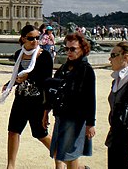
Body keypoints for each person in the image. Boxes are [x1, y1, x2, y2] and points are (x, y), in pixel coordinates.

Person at [1, 25, 54, 169]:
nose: (35, 41)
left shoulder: (45, 55)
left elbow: (47, 80)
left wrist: (28, 76)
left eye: (37, 38)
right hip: (21, 98)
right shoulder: (19, 54)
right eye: (31, 38)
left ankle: (71, 162)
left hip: (37, 101)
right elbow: (16, 74)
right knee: (13, 131)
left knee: (41, 135)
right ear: (23, 38)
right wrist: (9, 84)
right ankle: (10, 166)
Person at [49, 32, 96, 168]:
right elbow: (54, 88)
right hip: (61, 115)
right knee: (60, 150)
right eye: (66, 48)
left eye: (72, 49)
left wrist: (90, 123)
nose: (69, 52)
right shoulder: (65, 67)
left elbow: (90, 98)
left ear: (82, 49)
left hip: (75, 117)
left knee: (69, 154)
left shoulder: (86, 70)